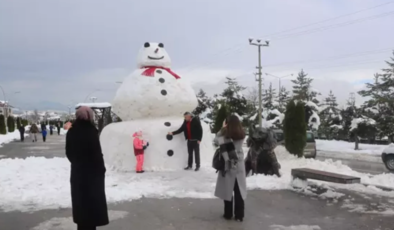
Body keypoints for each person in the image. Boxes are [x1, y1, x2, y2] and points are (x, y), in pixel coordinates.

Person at [65, 106, 109, 230]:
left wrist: (77, 164)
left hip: (78, 174)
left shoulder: (72, 130)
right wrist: (101, 170)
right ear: (89, 116)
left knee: (81, 204)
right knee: (92, 206)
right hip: (92, 176)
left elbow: (68, 152)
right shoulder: (90, 131)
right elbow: (96, 154)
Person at [214, 115, 247, 222]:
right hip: (239, 163)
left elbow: (216, 140)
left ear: (227, 123)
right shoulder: (241, 133)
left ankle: (228, 213)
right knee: (239, 190)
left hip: (227, 162)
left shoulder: (224, 134)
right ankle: (239, 215)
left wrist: (223, 128)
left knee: (228, 189)